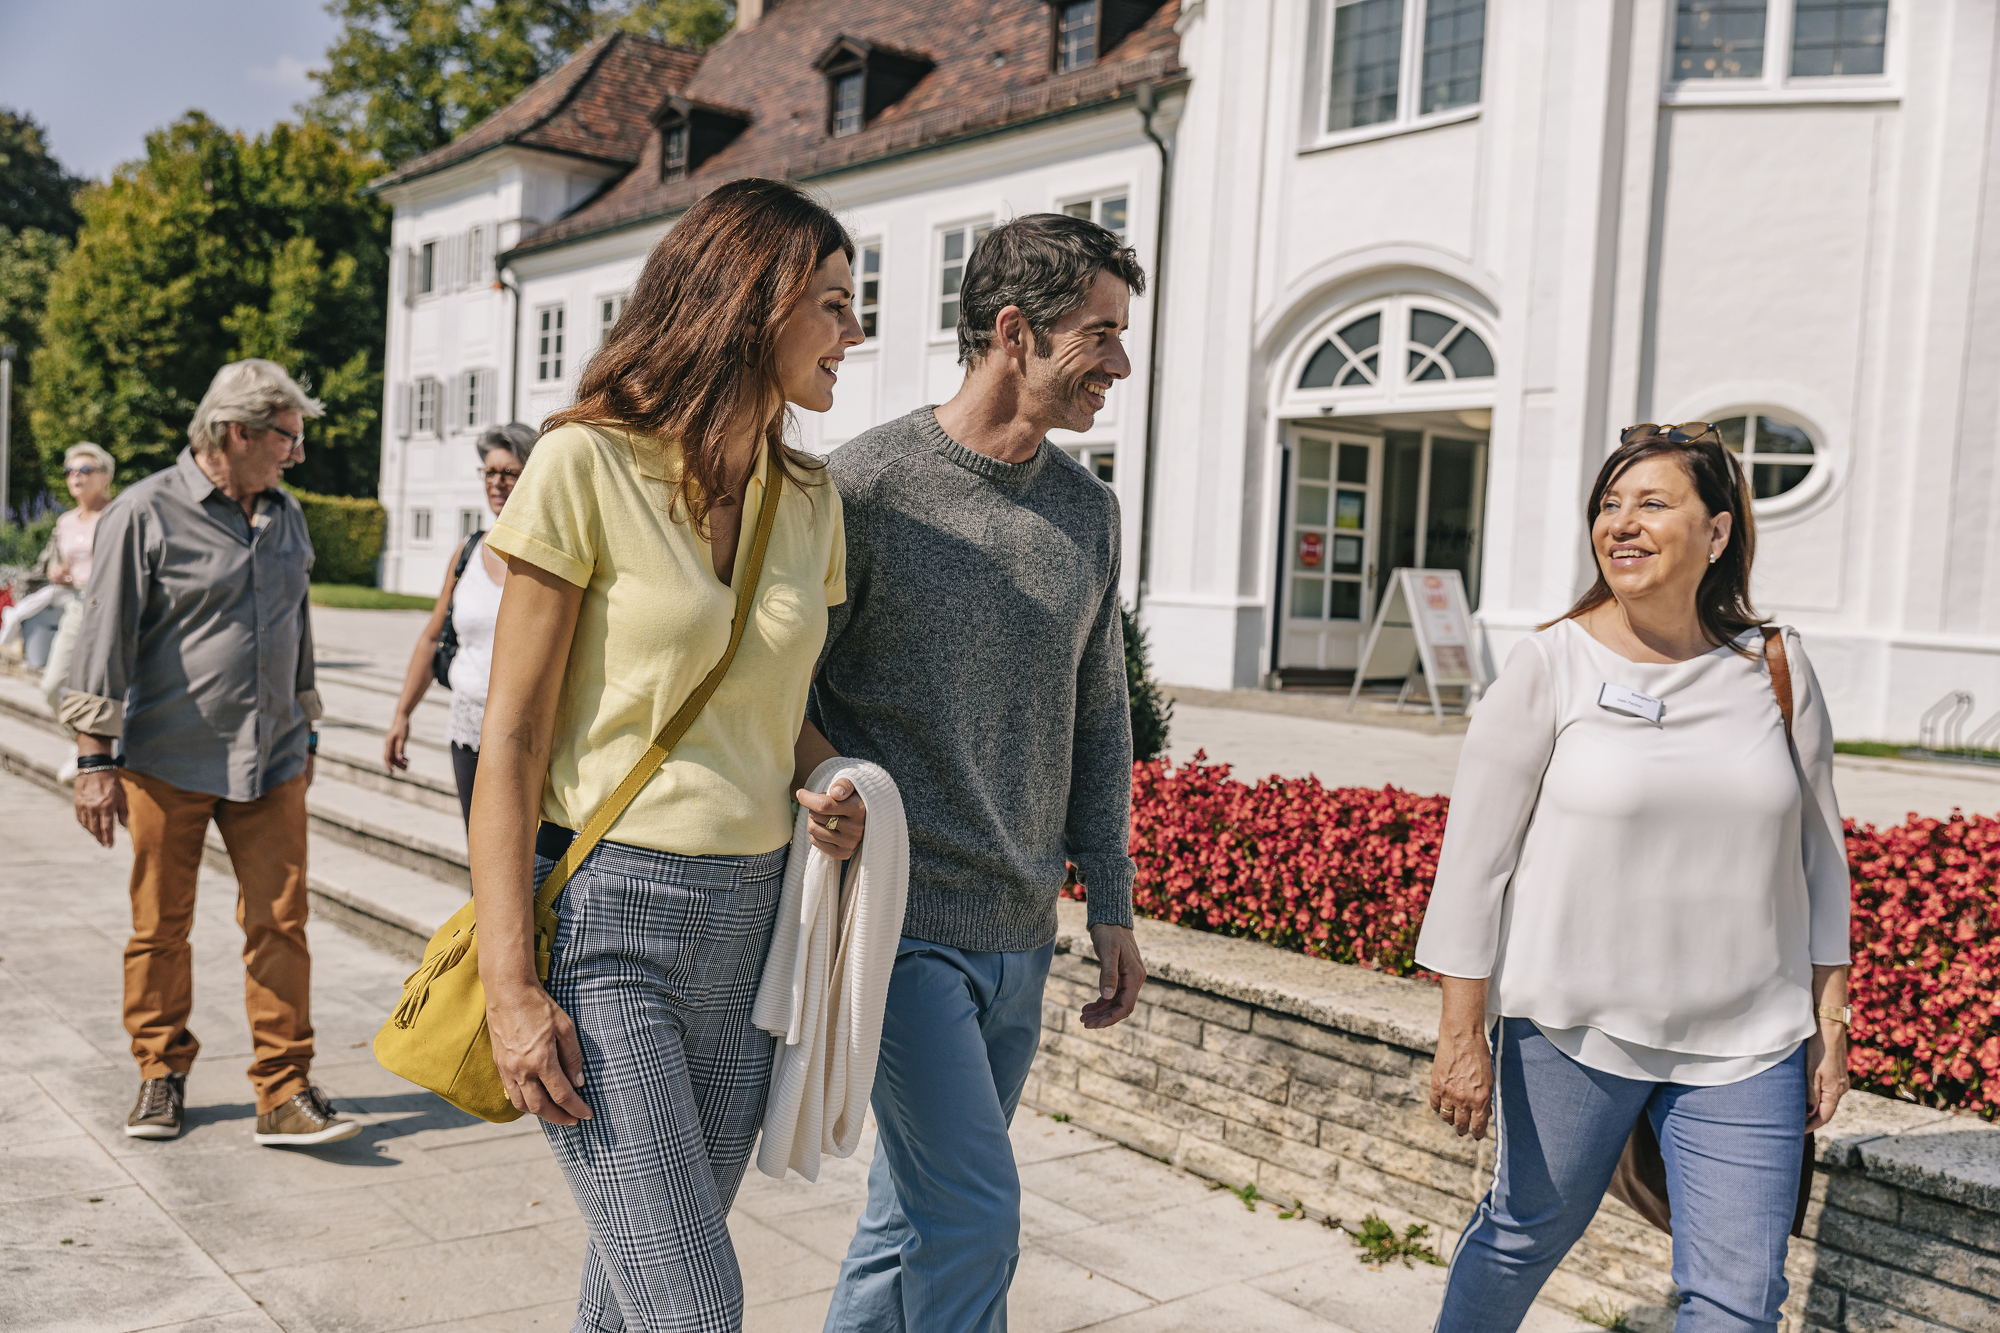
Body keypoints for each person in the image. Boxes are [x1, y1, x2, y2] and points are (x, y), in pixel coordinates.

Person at [470, 178, 867, 1332]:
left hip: (752, 931)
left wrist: (832, 779)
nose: (855, 332)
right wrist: (509, 987)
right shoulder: (583, 465)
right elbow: (512, 738)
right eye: (835, 304)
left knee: (632, 1289)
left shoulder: (809, 496)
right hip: (610, 925)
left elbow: (770, 700)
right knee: (693, 1306)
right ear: (754, 302)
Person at [1416, 424, 1852, 1331]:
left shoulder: (1776, 667)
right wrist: (1461, 1032)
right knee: (1520, 1237)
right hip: (1573, 1030)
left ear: (1719, 533)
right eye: (1609, 505)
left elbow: (1822, 853)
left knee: (1739, 1304)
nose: (1623, 523)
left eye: (1653, 503)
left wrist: (1831, 1015)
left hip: (1750, 1042)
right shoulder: (1550, 663)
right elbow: (1474, 864)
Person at [815, 213, 1148, 1333]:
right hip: (896, 926)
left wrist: (1108, 898)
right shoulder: (862, 491)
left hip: (1019, 931)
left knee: (909, 1214)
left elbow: (1099, 712)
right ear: (1013, 331)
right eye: (1097, 336)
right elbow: (787, 696)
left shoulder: (1086, 511)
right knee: (972, 1217)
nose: (1119, 363)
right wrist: (825, 792)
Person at [62, 359, 360, 1148]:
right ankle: (160, 1073)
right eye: (288, 439)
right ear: (238, 432)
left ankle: (284, 1088)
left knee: (282, 923)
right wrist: (95, 760)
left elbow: (298, 633)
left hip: (274, 760)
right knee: (160, 926)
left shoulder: (286, 516)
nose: (297, 455)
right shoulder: (143, 512)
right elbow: (103, 641)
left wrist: (309, 727)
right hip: (168, 759)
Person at [384, 422, 537, 823]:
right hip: (469, 725)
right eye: (489, 472)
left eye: (509, 472)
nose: (497, 482)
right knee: (478, 854)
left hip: (529, 731)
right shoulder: (468, 551)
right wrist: (402, 714)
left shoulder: (548, 555)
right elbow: (432, 636)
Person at [36, 442, 116, 781]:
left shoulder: (118, 514)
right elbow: (68, 563)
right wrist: (61, 573)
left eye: (85, 470)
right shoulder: (66, 521)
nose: (76, 478)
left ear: (104, 476)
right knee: (53, 685)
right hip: (77, 605)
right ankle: (80, 742)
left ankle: (105, 754)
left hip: (111, 608)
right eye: (70, 472)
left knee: (106, 686)